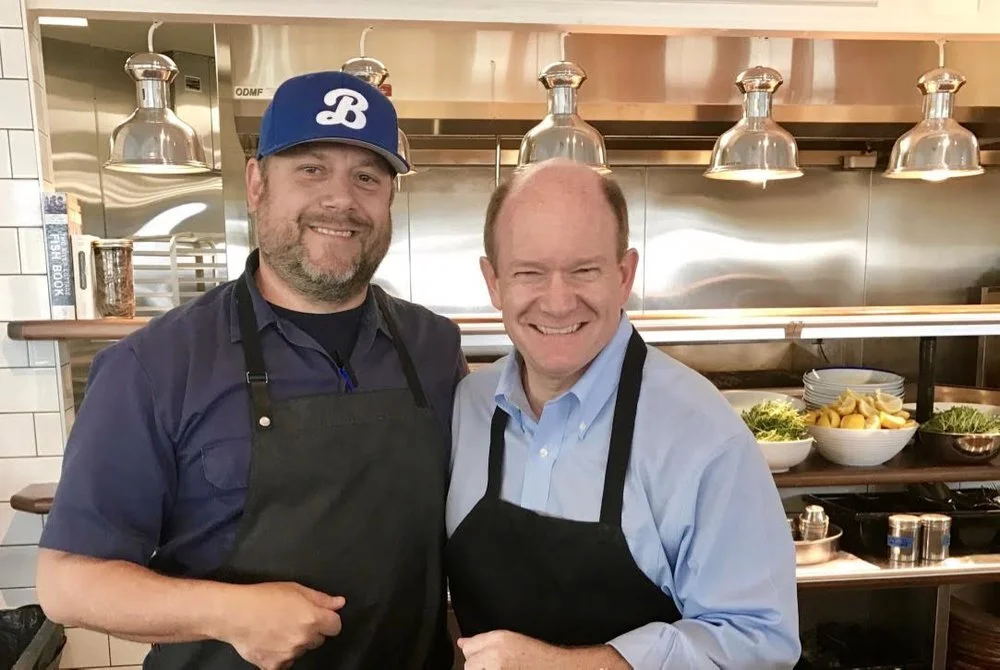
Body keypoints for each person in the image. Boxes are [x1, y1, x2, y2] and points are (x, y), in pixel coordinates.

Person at [35, 71, 466, 670]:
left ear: (389, 197)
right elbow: (66, 584)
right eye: (311, 169)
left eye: (366, 176)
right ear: (257, 182)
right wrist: (228, 613)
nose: (340, 200)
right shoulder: (156, 364)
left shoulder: (434, 347)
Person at [445, 159, 801, 669]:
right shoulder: (466, 408)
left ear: (624, 274)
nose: (558, 301)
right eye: (529, 273)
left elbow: (759, 642)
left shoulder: (701, 433)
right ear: (494, 282)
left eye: (584, 270)